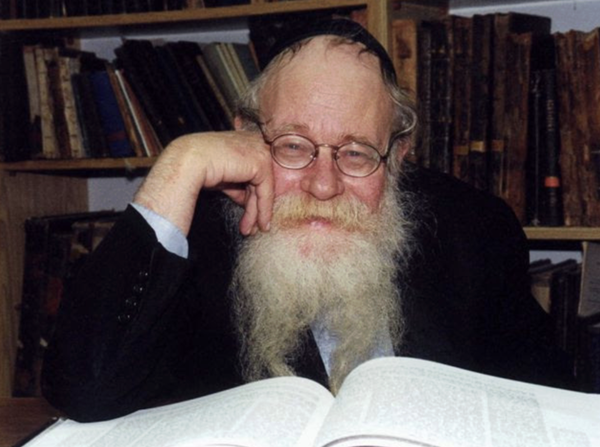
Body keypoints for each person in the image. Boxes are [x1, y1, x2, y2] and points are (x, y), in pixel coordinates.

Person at [41, 19, 574, 422]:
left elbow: (552, 405)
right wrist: (179, 163)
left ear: (399, 154)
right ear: (245, 135)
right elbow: (86, 391)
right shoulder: (191, 235)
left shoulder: (475, 229)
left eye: (357, 153)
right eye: (293, 146)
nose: (323, 186)